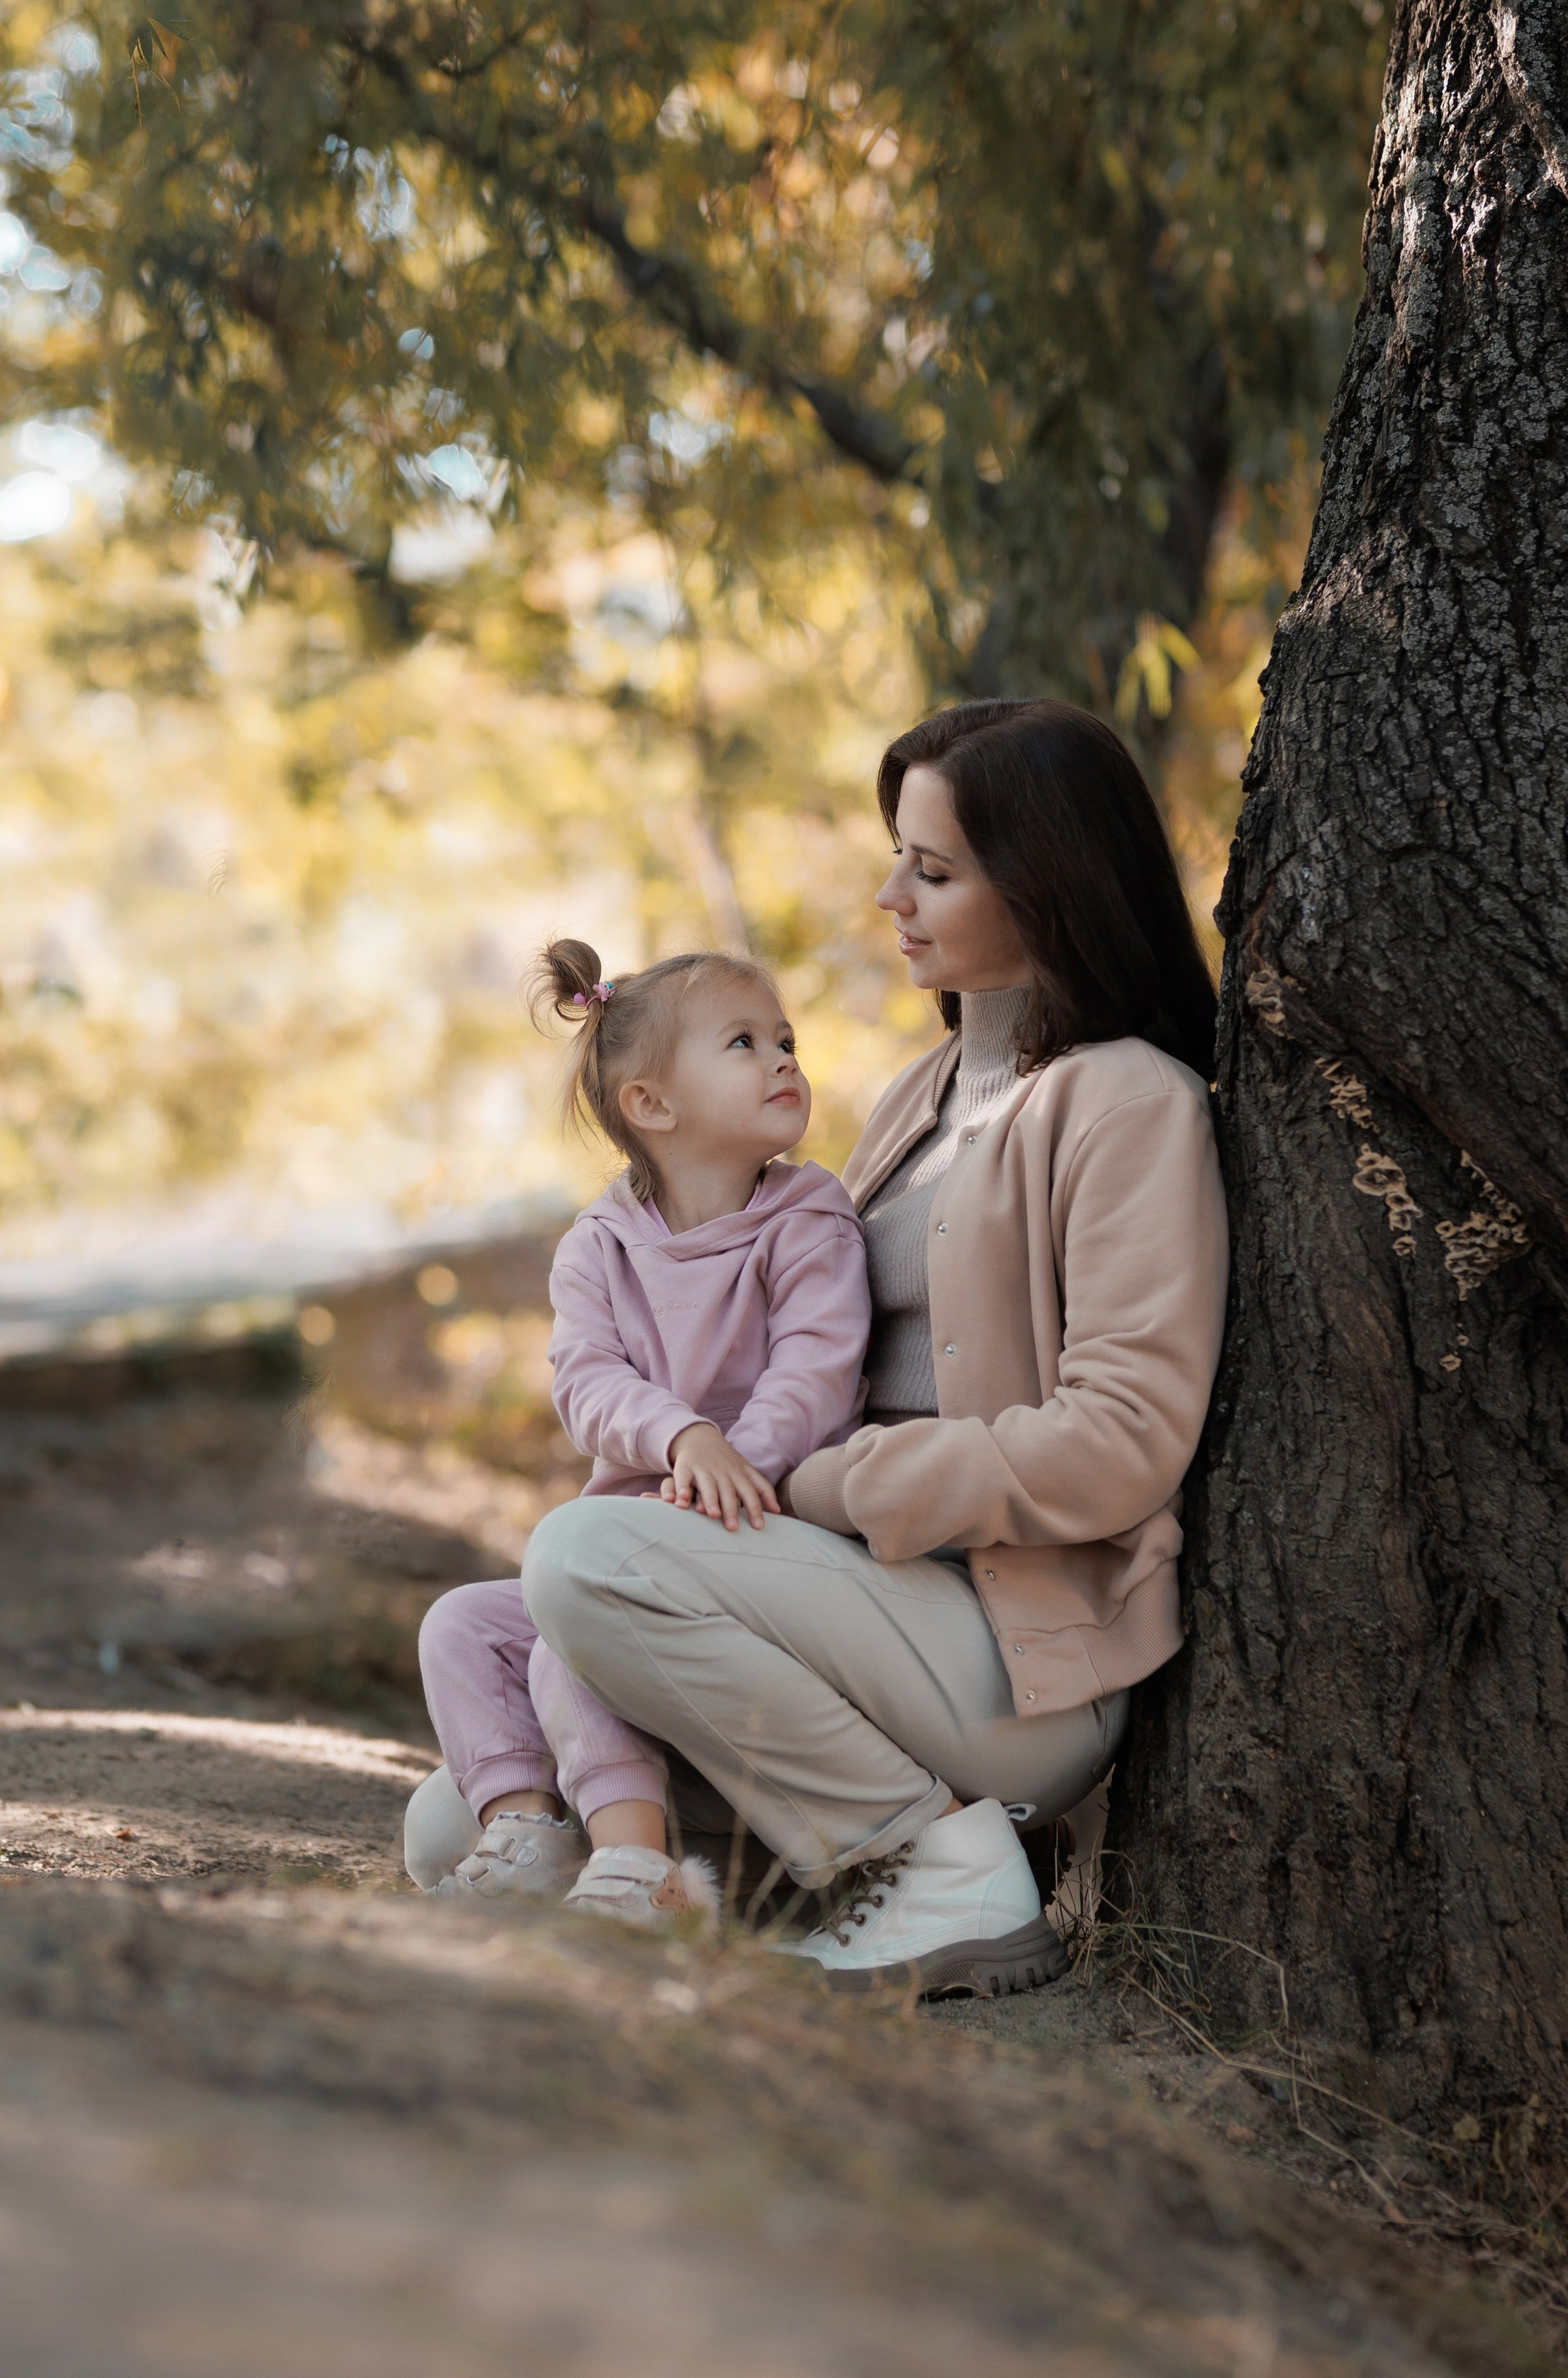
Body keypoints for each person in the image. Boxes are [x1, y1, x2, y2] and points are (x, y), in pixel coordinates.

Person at [522, 697, 1229, 1994]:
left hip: (1012, 1652)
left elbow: (1125, 1439)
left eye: (936, 868)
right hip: (851, 1610)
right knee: (465, 1819)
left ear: (1046, 878)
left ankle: (937, 1866)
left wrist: (828, 1483)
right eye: (897, 852)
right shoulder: (922, 1091)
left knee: (582, 1554)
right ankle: (846, 1872)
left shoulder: (1129, 1099)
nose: (891, 892)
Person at [404, 939, 869, 1925]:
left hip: (757, 1533)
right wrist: (681, 1437)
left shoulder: (807, 1215)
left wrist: (737, 1463)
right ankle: (528, 1824)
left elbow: (817, 1371)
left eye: (785, 1037)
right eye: (744, 1041)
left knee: (568, 1640)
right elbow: (587, 1381)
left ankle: (638, 1865)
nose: (785, 1057)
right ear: (651, 1105)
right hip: (630, 1532)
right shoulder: (600, 1244)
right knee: (465, 1626)